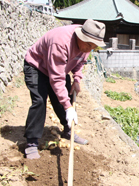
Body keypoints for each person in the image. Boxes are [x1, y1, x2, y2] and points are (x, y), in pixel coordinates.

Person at [23, 19, 106, 159]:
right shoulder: (60, 42)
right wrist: (68, 107)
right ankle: (31, 143)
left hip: (59, 69)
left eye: (94, 46)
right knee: (40, 101)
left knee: (64, 96)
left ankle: (68, 131)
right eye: (88, 44)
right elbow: (56, 78)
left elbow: (80, 62)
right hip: (37, 66)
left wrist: (77, 79)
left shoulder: (87, 45)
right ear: (80, 36)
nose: (90, 49)